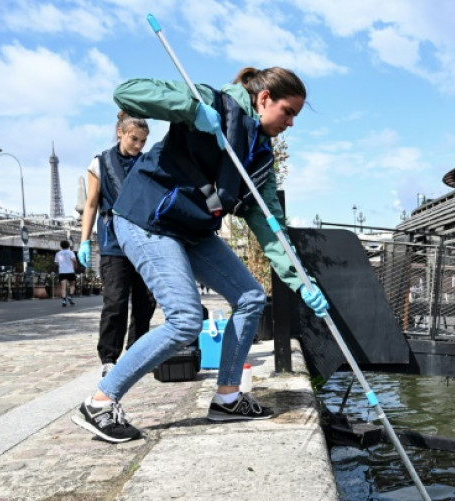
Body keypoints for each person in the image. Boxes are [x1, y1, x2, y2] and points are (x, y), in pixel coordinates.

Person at [71, 67, 329, 443]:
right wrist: (190, 110)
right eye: (288, 112)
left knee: (251, 297)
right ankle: (99, 401)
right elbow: (128, 92)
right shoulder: (211, 102)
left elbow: (270, 224)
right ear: (264, 99)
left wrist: (300, 280)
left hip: (191, 230)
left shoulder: (259, 157)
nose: (291, 123)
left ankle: (227, 398)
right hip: (146, 219)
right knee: (185, 319)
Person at [78, 111, 157, 377]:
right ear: (120, 133)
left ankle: (136, 352)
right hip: (113, 243)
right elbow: (90, 205)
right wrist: (84, 241)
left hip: (143, 241)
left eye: (143, 141)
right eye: (134, 139)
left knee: (146, 301)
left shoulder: (146, 163)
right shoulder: (100, 163)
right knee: (115, 302)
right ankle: (109, 358)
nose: (138, 146)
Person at [54, 240, 78, 307]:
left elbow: (56, 263)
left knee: (63, 287)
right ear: (68, 245)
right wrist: (75, 265)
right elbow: (74, 260)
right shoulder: (70, 252)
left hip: (62, 272)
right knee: (72, 285)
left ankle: (64, 300)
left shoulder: (58, 253)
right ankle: (70, 296)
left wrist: (61, 265)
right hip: (70, 271)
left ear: (61, 246)